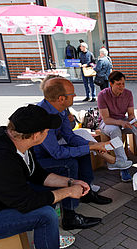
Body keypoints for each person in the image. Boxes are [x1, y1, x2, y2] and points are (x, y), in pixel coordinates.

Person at [0, 105, 93, 249]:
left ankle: (45, 240)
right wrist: (69, 192)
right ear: (36, 135)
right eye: (47, 130)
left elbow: (37, 174)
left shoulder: (18, 141)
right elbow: (26, 203)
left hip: (0, 198)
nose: (48, 133)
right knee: (46, 215)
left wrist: (70, 182)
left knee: (47, 199)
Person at [34, 77, 112, 231]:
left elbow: (69, 136)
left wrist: (91, 145)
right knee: (69, 163)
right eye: (72, 94)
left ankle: (86, 191)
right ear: (61, 98)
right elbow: (56, 153)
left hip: (50, 152)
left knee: (82, 151)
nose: (75, 96)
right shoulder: (42, 116)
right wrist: (90, 147)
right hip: (37, 162)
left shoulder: (61, 108)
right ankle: (70, 216)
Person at [98, 71, 137, 182]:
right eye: (118, 84)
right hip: (107, 123)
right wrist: (121, 123)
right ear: (111, 84)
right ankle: (123, 166)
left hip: (122, 120)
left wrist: (133, 121)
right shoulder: (102, 95)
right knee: (115, 130)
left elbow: (130, 114)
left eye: (123, 84)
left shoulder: (128, 93)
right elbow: (106, 119)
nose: (122, 87)